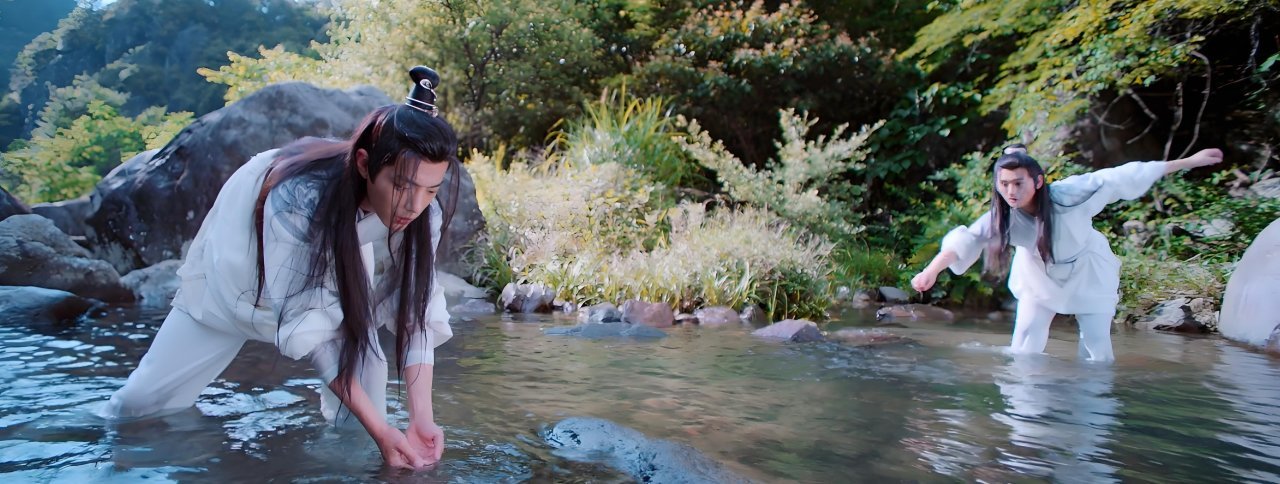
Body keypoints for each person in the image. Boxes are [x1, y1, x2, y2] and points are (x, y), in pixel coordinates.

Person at [105, 66, 461, 469]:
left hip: (336, 256)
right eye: (401, 186)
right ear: (364, 164)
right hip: (238, 270)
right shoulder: (300, 198)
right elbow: (319, 339)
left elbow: (415, 315)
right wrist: (383, 431)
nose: (414, 206)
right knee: (139, 406)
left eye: (430, 190)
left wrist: (420, 420)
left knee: (368, 397)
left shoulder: (421, 214)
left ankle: (354, 471)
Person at [911, 144, 1223, 362]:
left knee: (1097, 349)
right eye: (1004, 184)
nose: (1011, 191)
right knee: (1024, 348)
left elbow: (1120, 176)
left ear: (1037, 181)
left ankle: (1091, 418)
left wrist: (1189, 162)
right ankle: (1026, 419)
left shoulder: (1070, 193)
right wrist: (931, 271)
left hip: (1087, 270)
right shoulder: (1000, 217)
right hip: (1038, 275)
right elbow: (963, 242)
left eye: (1018, 183)